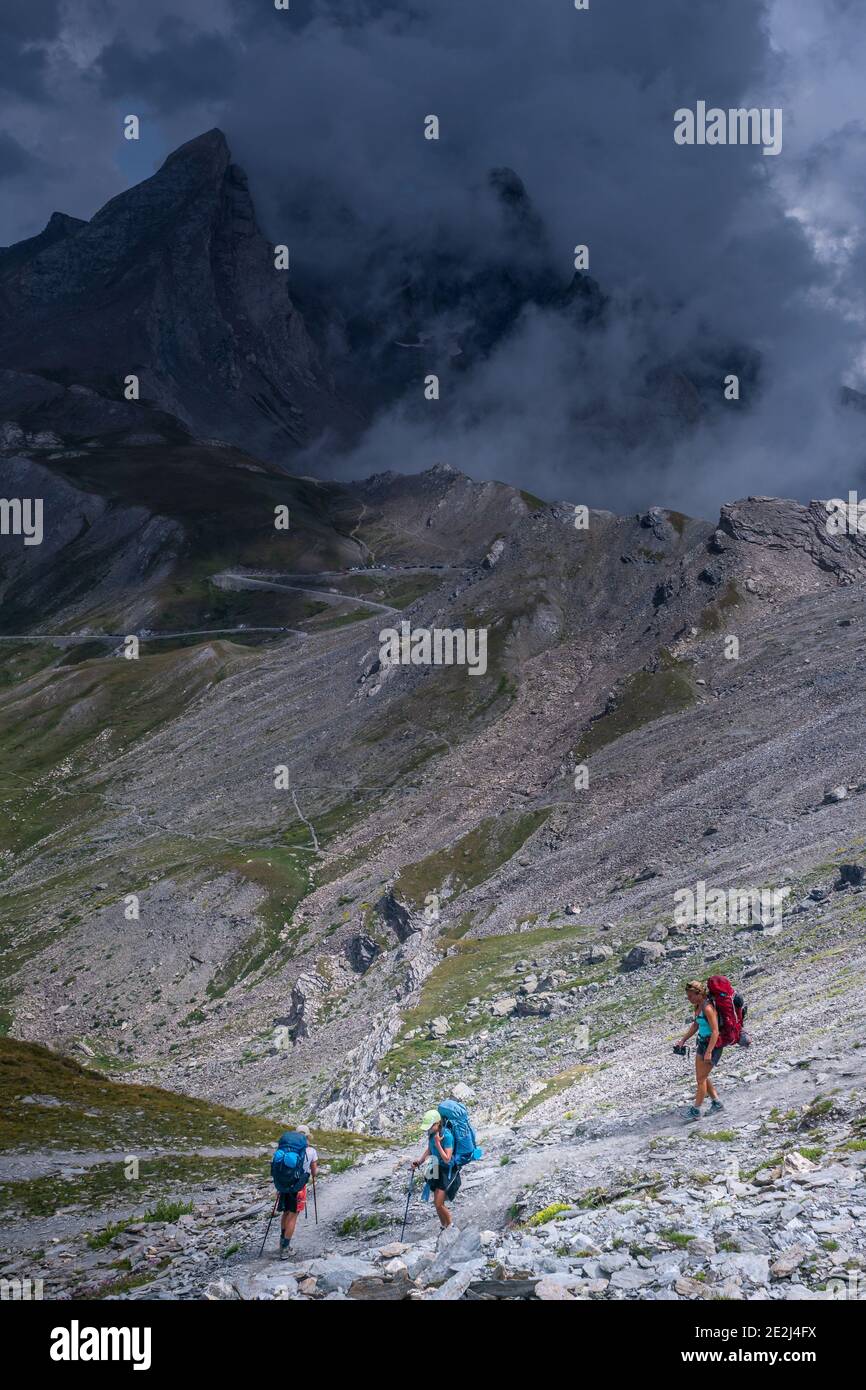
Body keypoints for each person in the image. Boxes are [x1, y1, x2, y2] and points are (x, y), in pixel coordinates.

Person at [675, 981, 725, 1122]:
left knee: (701, 1079)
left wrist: (709, 1051)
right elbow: (696, 1024)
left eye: (691, 996)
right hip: (702, 1043)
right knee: (702, 1077)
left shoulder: (708, 1008)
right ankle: (717, 1103)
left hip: (712, 1045)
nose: (689, 999)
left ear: (699, 994)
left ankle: (696, 1110)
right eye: (688, 996)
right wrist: (683, 1040)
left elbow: (715, 1031)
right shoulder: (698, 1006)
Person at [412, 1108, 458, 1229]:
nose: (428, 1129)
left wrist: (438, 1144)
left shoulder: (447, 1136)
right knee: (437, 1203)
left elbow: (447, 1158)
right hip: (436, 1167)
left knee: (438, 1203)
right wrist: (419, 1162)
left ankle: (450, 1226)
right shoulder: (432, 1134)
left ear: (437, 1123)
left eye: (430, 1126)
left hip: (447, 1170)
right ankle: (444, 1226)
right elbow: (429, 1150)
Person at [279, 1125, 318, 1258]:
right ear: (307, 1137)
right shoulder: (311, 1151)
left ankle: (281, 1240)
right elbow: (314, 1172)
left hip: (284, 1184)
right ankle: (285, 1248)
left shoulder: (288, 1149)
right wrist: (313, 1173)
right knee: (293, 1215)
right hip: (299, 1187)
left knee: (286, 1212)